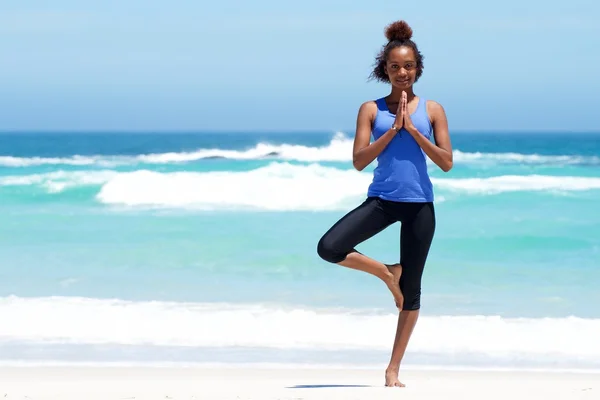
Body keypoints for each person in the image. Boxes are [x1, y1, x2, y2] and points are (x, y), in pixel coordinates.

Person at [316, 20, 453, 387]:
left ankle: (393, 369)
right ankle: (386, 272)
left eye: (408, 66)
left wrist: (412, 130)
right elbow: (360, 160)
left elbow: (446, 162)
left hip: (420, 205)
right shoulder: (371, 110)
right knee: (329, 247)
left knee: (413, 292)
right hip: (383, 201)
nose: (402, 72)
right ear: (385, 70)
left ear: (418, 68)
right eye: (395, 66)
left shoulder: (433, 110)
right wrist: (392, 130)